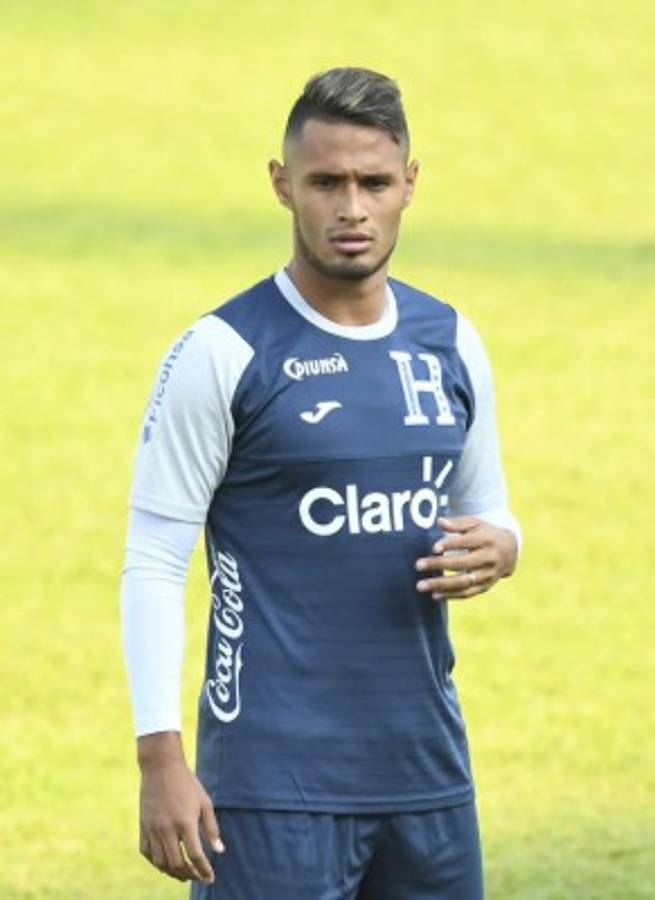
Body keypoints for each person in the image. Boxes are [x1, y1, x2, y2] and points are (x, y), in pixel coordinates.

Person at [120, 66, 521, 900]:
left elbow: (487, 508)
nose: (351, 208)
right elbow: (154, 559)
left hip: (426, 776)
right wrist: (160, 758)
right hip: (271, 785)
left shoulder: (448, 341)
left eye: (374, 183)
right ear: (282, 185)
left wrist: (503, 546)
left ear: (409, 184)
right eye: (325, 182)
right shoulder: (224, 352)